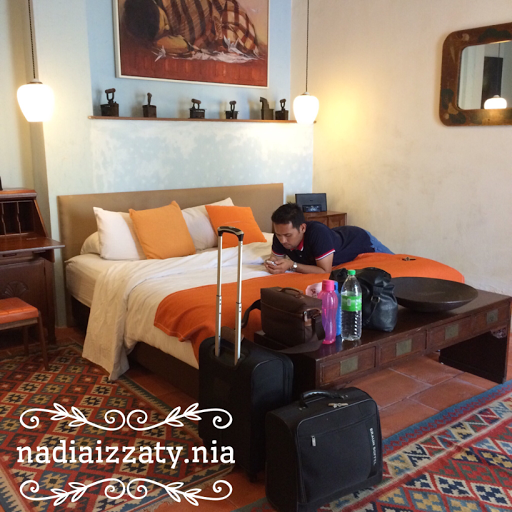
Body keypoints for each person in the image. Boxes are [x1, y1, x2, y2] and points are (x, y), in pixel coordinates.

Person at [264, 203, 393, 275]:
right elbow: (276, 259)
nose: (283, 240)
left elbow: (325, 271)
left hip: (360, 240)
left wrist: (292, 265)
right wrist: (272, 264)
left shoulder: (317, 233)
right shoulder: (280, 235)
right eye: (279, 235)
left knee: (397, 263)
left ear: (302, 228)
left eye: (288, 235)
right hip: (337, 236)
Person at [123, 0, 260, 57]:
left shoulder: (183, 8)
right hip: (211, 33)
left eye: (164, 20)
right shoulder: (139, 24)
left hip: (232, 23)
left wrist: (188, 47)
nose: (168, 27)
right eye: (163, 30)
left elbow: (191, 45)